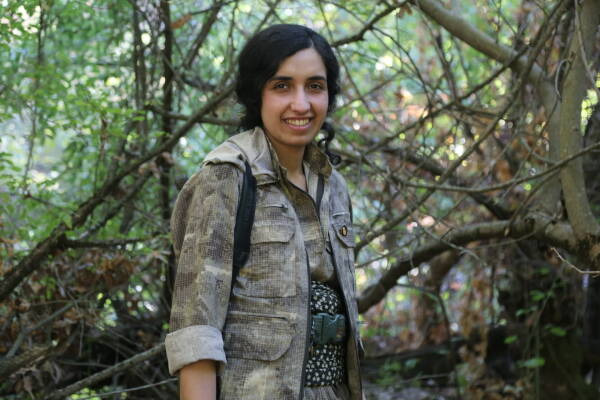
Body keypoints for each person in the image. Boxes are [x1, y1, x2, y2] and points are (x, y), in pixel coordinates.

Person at [165, 24, 363, 400]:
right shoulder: (226, 177)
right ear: (257, 93)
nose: (301, 104)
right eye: (282, 86)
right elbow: (196, 332)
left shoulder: (334, 186)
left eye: (315, 86)